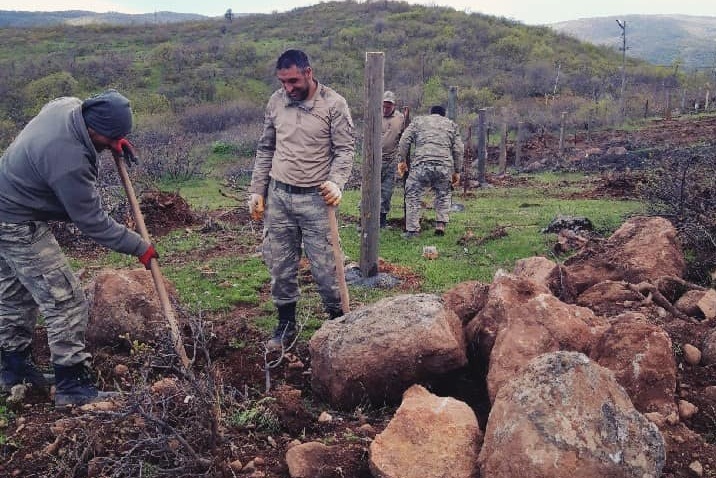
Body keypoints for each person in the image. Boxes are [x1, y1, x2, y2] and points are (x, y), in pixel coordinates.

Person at [0, 90, 158, 406]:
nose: (110, 145)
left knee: (16, 295)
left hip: (6, 201)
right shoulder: (68, 160)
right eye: (109, 138)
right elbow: (92, 222)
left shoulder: (68, 106)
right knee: (66, 301)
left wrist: (115, 140)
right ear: (91, 129)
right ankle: (73, 387)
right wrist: (139, 246)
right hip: (16, 220)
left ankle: (13, 371)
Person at [247, 49, 355, 351]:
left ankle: (337, 322)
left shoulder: (334, 104)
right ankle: (286, 323)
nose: (288, 88)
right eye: (283, 81)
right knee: (280, 264)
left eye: (293, 80)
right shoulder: (276, 101)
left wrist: (337, 182)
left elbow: (344, 150)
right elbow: (266, 147)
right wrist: (258, 190)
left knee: (327, 268)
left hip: (316, 200)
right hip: (280, 196)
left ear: (308, 72)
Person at [397, 105, 463, 238]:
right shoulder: (451, 125)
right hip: (444, 166)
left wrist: (402, 160)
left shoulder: (418, 121)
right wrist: (457, 170)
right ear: (443, 115)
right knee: (443, 193)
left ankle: (412, 230)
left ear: (430, 113)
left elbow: (404, 140)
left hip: (422, 163)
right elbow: (458, 149)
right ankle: (440, 224)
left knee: (413, 194)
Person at [379, 91, 405, 228]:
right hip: (373, 160)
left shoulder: (400, 118)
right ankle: (364, 219)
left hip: (390, 160)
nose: (385, 108)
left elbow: (403, 137)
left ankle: (382, 220)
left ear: (393, 105)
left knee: (387, 191)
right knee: (369, 191)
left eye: (388, 106)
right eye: (384, 105)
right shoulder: (375, 115)